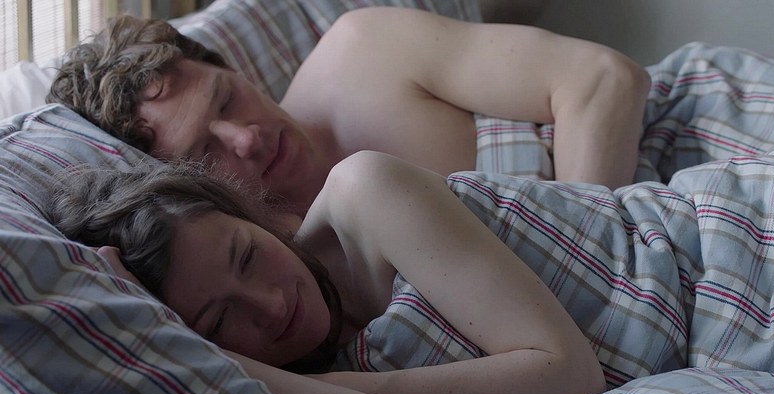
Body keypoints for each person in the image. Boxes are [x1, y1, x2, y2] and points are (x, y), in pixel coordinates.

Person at [47, 151, 607, 394]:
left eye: (248, 256)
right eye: (218, 322)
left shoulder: (363, 191)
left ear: (244, 213)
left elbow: (571, 374)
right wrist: (201, 358)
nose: (271, 305)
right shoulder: (285, 387)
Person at [47, 6, 650, 214]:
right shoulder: (271, 280)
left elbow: (605, 80)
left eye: (226, 99)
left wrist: (591, 248)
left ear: (232, 69)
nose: (247, 139)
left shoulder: (363, 54)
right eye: (205, 152)